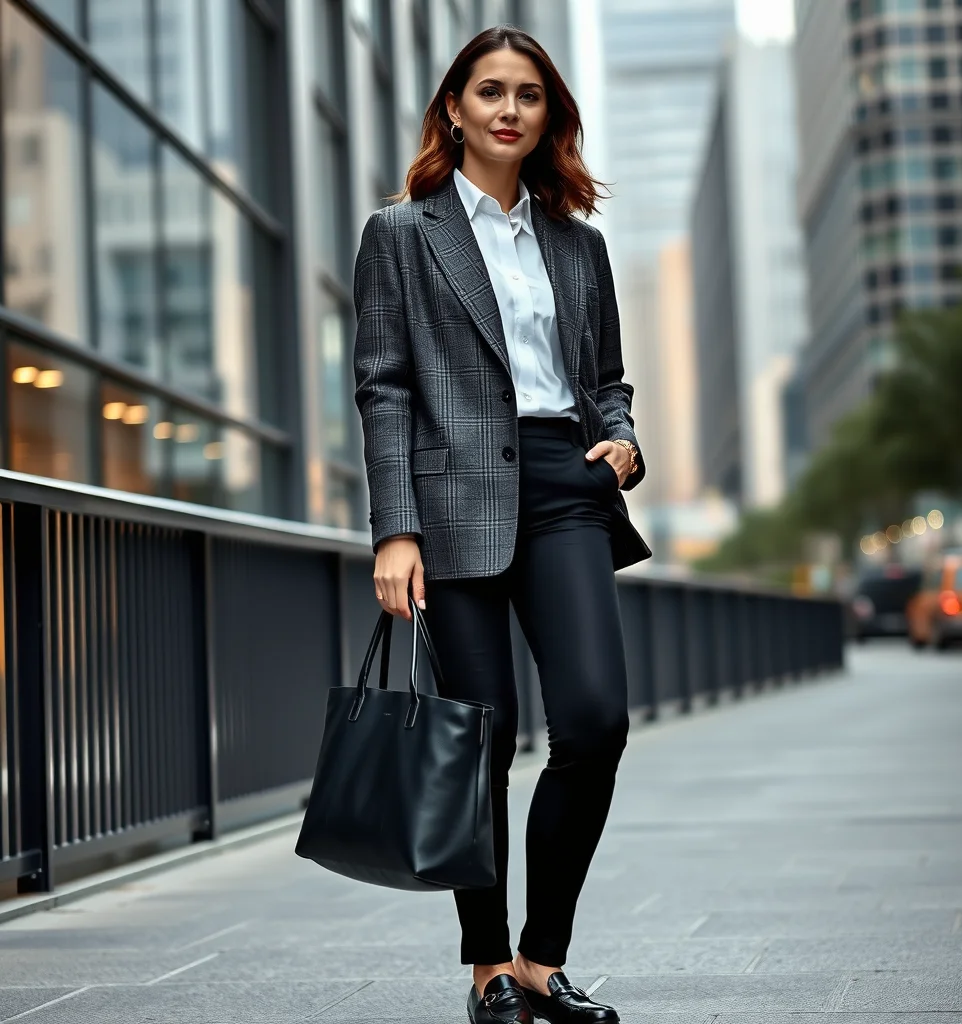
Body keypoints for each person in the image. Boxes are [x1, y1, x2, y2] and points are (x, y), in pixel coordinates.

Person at [352, 24, 646, 1024]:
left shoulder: (577, 242)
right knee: (481, 734)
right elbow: (383, 386)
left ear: (547, 114)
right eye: (489, 91)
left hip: (565, 487)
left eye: (528, 94)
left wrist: (621, 438)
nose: (509, 109)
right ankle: (485, 969)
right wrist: (395, 528)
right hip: (451, 500)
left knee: (596, 719)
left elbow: (603, 380)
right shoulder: (401, 233)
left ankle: (540, 958)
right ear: (454, 109)